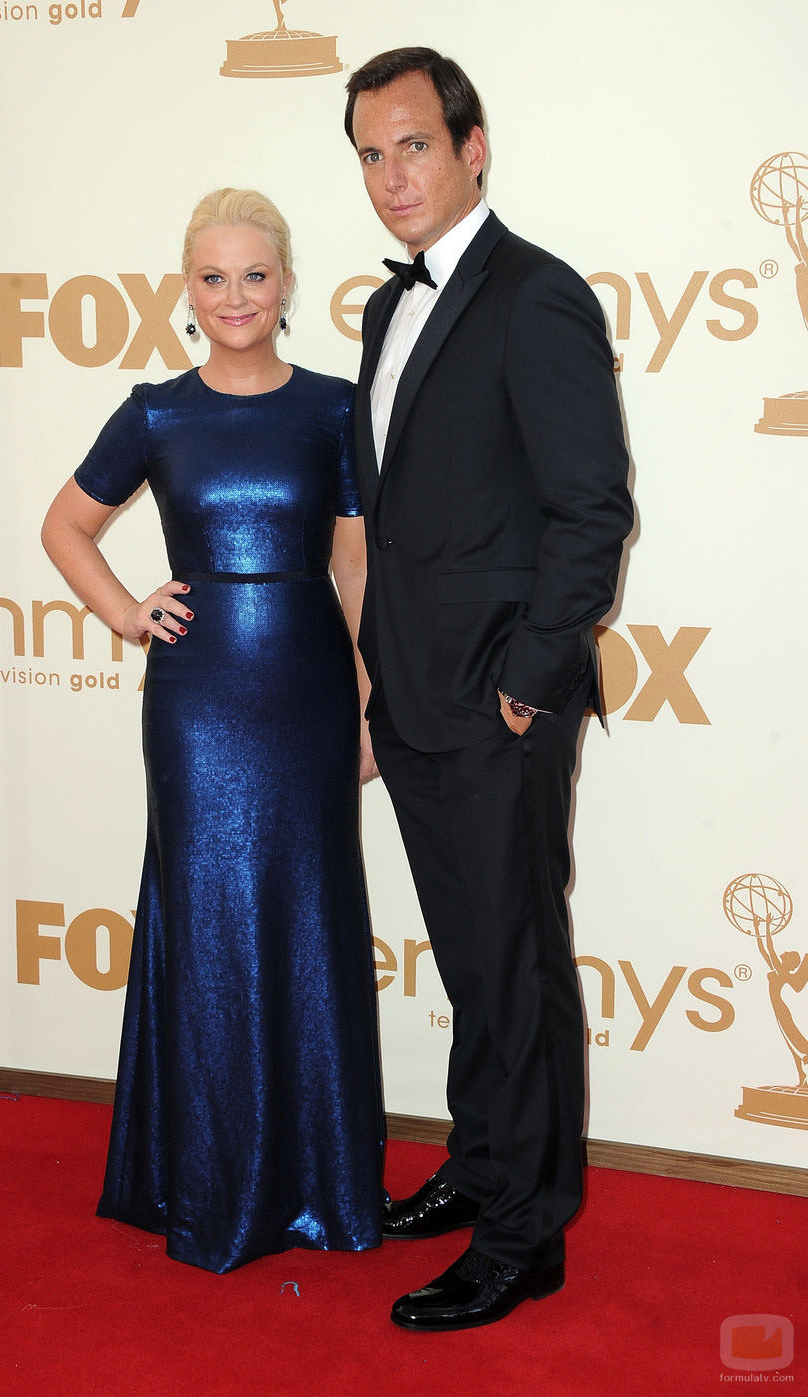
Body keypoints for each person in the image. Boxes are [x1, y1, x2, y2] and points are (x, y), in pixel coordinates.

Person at [41, 188, 383, 1274]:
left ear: (286, 284)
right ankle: (207, 1177)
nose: (234, 296)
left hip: (309, 685)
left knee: (311, 913)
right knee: (206, 919)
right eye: (212, 277)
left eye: (254, 274)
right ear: (185, 291)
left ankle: (321, 1181)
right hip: (197, 702)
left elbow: (355, 563)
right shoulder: (157, 411)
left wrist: (371, 695)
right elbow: (66, 525)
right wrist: (125, 609)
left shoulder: (336, 406)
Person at [344, 49, 634, 1329]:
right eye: (367, 152)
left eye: (411, 144)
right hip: (412, 697)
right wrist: (372, 674)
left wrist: (527, 687)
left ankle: (527, 1233)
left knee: (513, 966)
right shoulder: (380, 308)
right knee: (474, 961)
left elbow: (592, 509)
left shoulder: (538, 295)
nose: (389, 175)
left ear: (473, 146)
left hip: (496, 706)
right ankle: (481, 1161)